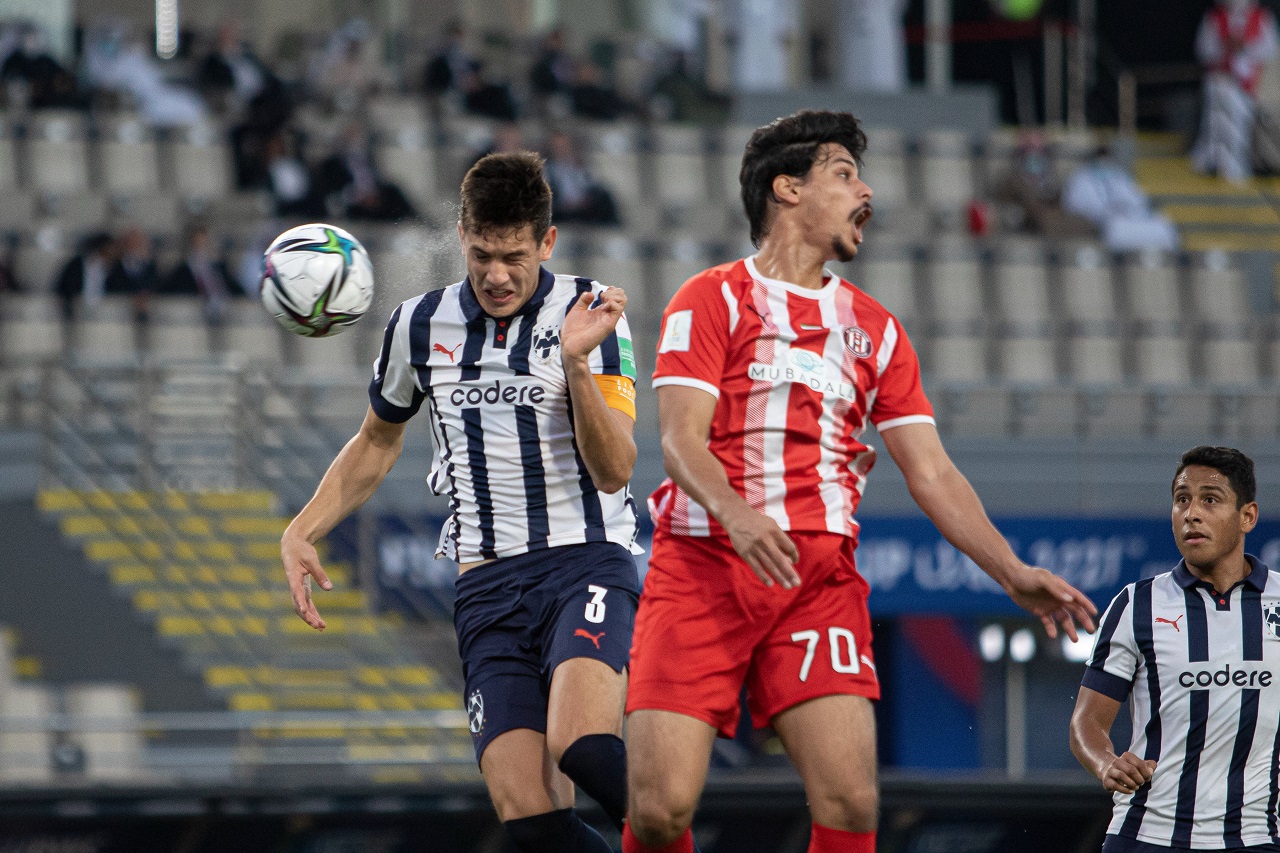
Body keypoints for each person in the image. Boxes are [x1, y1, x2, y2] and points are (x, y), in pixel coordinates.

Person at [622, 109, 1098, 853]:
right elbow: (679, 439)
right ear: (787, 189)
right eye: (844, 174)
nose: (865, 191)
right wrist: (737, 515)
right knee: (659, 810)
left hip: (816, 580)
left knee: (850, 802)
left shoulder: (875, 328)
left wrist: (1011, 571)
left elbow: (931, 471)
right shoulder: (710, 298)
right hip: (702, 566)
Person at [281, 152, 641, 853]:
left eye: (514, 255)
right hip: (486, 587)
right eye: (481, 253)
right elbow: (376, 441)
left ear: (547, 242)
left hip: (584, 562)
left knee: (584, 746)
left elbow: (615, 468)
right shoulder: (417, 325)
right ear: (462, 235)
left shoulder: (593, 312)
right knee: (529, 817)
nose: (497, 274)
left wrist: (573, 362)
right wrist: (303, 527)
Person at [1070, 446, 1277, 853]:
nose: (1191, 513)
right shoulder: (1137, 605)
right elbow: (1086, 723)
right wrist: (1106, 763)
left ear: (1247, 516)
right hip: (1146, 835)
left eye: (1210, 499)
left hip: (1255, 837)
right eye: (1182, 499)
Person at [1192, 0, 1279, 184]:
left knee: (1239, 119)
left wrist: (1245, 47)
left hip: (1249, 84)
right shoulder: (1215, 17)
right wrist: (1224, 47)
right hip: (1220, 80)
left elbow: (1271, 49)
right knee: (1216, 115)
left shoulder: (1262, 17)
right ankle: (1213, 161)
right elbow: (1202, 49)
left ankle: (1236, 166)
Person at [1062, 146, 1180, 252]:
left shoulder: (1120, 176)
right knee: (1118, 228)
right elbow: (1075, 203)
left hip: (1131, 214)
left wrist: (1129, 207)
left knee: (1163, 223)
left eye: (1106, 159)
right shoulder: (1081, 178)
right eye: (1101, 159)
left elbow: (1137, 197)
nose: (1103, 162)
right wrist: (1103, 210)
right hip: (1105, 218)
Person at [313, 122, 418, 222]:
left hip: (374, 197)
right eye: (350, 138)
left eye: (357, 137)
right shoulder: (333, 164)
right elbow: (332, 191)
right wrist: (358, 196)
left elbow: (376, 180)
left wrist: (373, 193)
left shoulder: (368, 159)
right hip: (354, 202)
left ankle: (415, 220)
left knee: (394, 191)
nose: (355, 142)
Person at [161, 223, 243, 323]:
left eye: (204, 242)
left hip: (223, 307)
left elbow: (233, 286)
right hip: (198, 311)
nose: (201, 247)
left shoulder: (219, 265)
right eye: (197, 243)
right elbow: (169, 287)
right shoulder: (184, 269)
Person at [545, 130, 620, 226]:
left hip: (583, 206)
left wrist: (585, 200)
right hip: (561, 209)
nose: (561, 149)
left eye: (563, 146)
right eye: (557, 147)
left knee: (604, 198)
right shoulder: (549, 170)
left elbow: (590, 186)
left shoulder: (579, 167)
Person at [54, 232, 118, 321]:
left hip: (105, 313)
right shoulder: (75, 265)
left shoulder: (115, 269)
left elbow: (117, 293)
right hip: (77, 311)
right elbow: (64, 288)